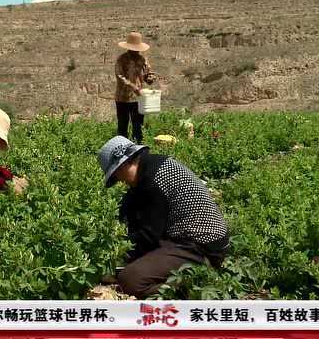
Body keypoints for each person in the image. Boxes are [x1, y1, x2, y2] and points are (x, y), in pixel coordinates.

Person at [98, 136, 229, 298]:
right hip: (190, 238)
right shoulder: (151, 166)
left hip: (201, 246)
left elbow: (149, 235)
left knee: (130, 279)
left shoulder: (152, 182)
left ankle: (193, 283)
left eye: (117, 176)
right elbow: (130, 205)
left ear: (124, 166)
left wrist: (119, 254)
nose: (120, 181)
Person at [113, 32, 157, 143]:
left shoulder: (143, 60)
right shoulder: (121, 59)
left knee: (138, 127)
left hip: (138, 99)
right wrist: (134, 87)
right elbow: (120, 76)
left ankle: (137, 149)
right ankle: (122, 149)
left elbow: (148, 74)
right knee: (122, 126)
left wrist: (151, 78)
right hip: (123, 98)